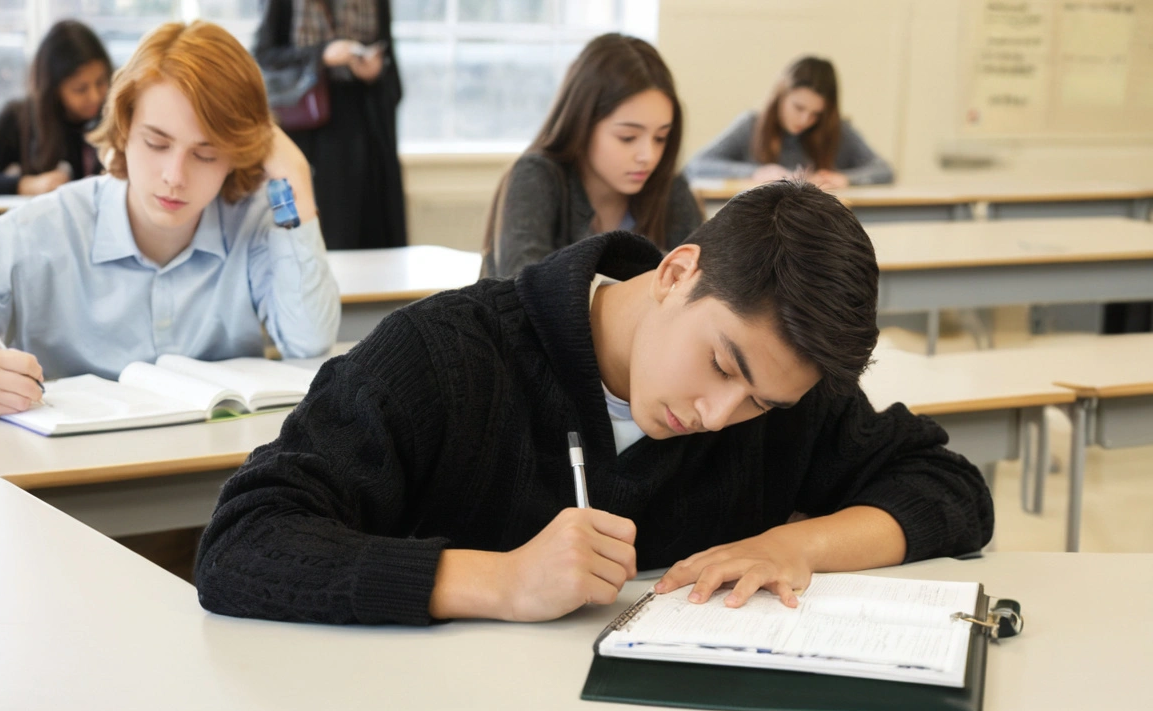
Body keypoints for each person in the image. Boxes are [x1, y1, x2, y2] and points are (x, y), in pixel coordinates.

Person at [194, 180, 993, 626]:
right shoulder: (444, 355)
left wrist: (801, 548)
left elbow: (948, 488)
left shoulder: (783, 392)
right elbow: (242, 543)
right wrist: (499, 582)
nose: (719, 416)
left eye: (758, 404)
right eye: (720, 365)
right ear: (679, 272)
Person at [0, 21, 340, 419]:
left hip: (219, 494)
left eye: (206, 154)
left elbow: (308, 342)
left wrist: (295, 179)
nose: (174, 177)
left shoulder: (256, 223)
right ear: (123, 130)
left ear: (237, 158)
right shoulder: (39, 232)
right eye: (156, 144)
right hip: (65, 496)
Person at [481, 33, 703, 279]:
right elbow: (522, 290)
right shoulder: (536, 176)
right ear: (582, 125)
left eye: (660, 138)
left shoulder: (672, 189)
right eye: (627, 137)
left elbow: (701, 287)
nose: (648, 156)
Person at [254, 0, 406, 250]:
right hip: (307, 127)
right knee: (319, 229)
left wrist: (374, 69)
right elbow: (264, 56)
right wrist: (322, 54)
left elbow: (389, 60)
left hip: (365, 124)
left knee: (368, 232)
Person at [685, 56, 894, 189]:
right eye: (799, 108)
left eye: (816, 114)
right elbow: (696, 166)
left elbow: (884, 170)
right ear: (781, 95)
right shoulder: (751, 125)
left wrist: (846, 179)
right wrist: (755, 172)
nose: (805, 120)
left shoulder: (838, 130)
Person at [0, 20, 113, 196]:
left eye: (101, 82)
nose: (95, 96)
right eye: (80, 89)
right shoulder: (16, 118)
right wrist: (29, 185)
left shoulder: (114, 115)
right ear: (54, 89)